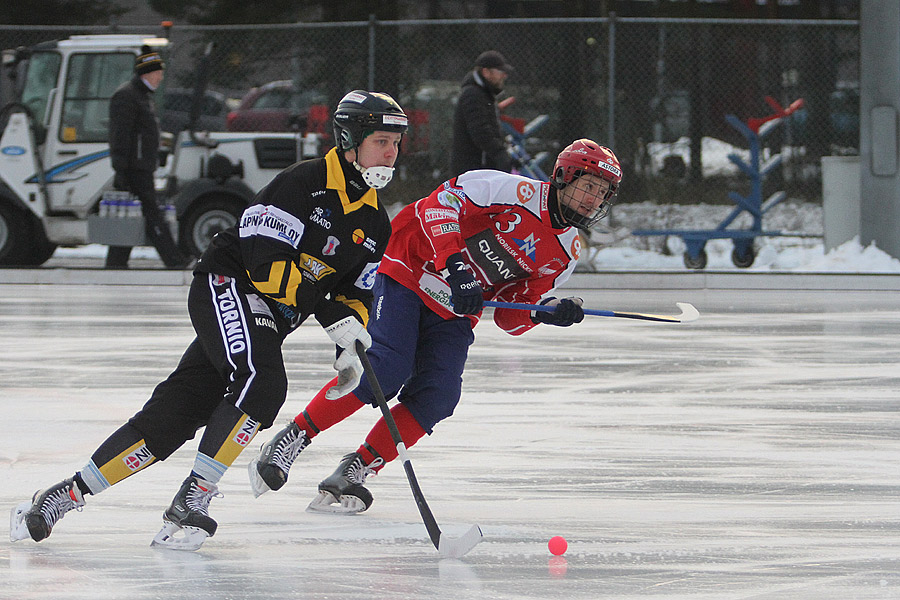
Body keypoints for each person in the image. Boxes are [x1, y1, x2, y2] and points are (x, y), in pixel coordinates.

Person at [10, 90, 409, 550]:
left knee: (179, 412)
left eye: (396, 144)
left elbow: (355, 293)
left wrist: (349, 343)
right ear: (350, 139)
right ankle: (192, 501)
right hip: (229, 285)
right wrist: (327, 313)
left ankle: (64, 494)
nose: (391, 153)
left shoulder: (376, 222)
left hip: (269, 318)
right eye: (382, 141)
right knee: (261, 383)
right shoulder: (302, 183)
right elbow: (266, 266)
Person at [249, 138, 622, 514]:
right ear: (563, 175)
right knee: (385, 369)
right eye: (588, 186)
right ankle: (293, 437)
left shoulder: (566, 253)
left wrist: (543, 313)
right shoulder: (510, 189)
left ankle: (357, 467)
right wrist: (456, 266)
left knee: (438, 397)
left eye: (602, 194)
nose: (593, 200)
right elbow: (438, 207)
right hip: (410, 268)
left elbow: (511, 315)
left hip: (455, 308)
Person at [105, 45, 190, 269]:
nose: (160, 78)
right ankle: (174, 260)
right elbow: (120, 135)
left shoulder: (143, 97)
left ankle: (116, 261)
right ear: (147, 73)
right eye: (158, 73)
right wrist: (120, 168)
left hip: (143, 166)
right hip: (134, 167)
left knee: (136, 215)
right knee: (152, 214)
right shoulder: (127, 97)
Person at [450, 50, 514, 177]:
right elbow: (480, 131)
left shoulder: (484, 94)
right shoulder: (473, 95)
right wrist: (499, 153)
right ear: (486, 72)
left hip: (480, 167)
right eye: (500, 71)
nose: (504, 76)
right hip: (473, 169)